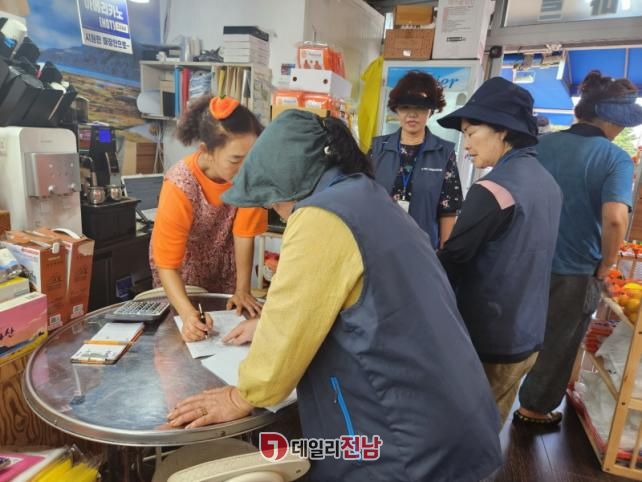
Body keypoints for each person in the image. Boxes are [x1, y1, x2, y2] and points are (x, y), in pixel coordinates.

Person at [167, 110, 503, 481]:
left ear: (293, 186)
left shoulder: (320, 217)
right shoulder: (368, 196)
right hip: (457, 420)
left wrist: (239, 396)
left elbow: (280, 354)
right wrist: (267, 323)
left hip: (407, 447)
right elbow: (361, 299)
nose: (276, 211)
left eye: (274, 202)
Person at [515, 70, 642, 425]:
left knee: (515, 332)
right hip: (575, 269)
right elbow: (615, 218)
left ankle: (494, 398)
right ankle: (533, 409)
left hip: (525, 259)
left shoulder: (540, 145)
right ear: (610, 118)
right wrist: (607, 263)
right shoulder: (613, 158)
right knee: (559, 341)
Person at [436, 77, 563, 424]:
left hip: (488, 339)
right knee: (491, 425)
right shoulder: (547, 182)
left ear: (503, 130)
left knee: (462, 431)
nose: (466, 144)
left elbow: (452, 260)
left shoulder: (493, 189)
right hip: (527, 334)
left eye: (471, 132)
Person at [150, 96, 266, 342]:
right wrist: (187, 314)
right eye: (235, 159)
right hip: (182, 278)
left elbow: (244, 235)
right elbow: (167, 265)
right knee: (186, 340)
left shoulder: (250, 179)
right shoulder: (180, 185)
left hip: (224, 271)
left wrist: (242, 290)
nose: (247, 168)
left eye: (253, 157)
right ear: (206, 151)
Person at [371, 71, 462, 249]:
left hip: (422, 250)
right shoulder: (377, 149)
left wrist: (445, 256)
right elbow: (363, 198)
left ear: (431, 111)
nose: (412, 114)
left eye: (420, 107)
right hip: (378, 246)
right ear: (396, 109)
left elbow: (448, 211)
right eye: (405, 107)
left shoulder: (444, 153)